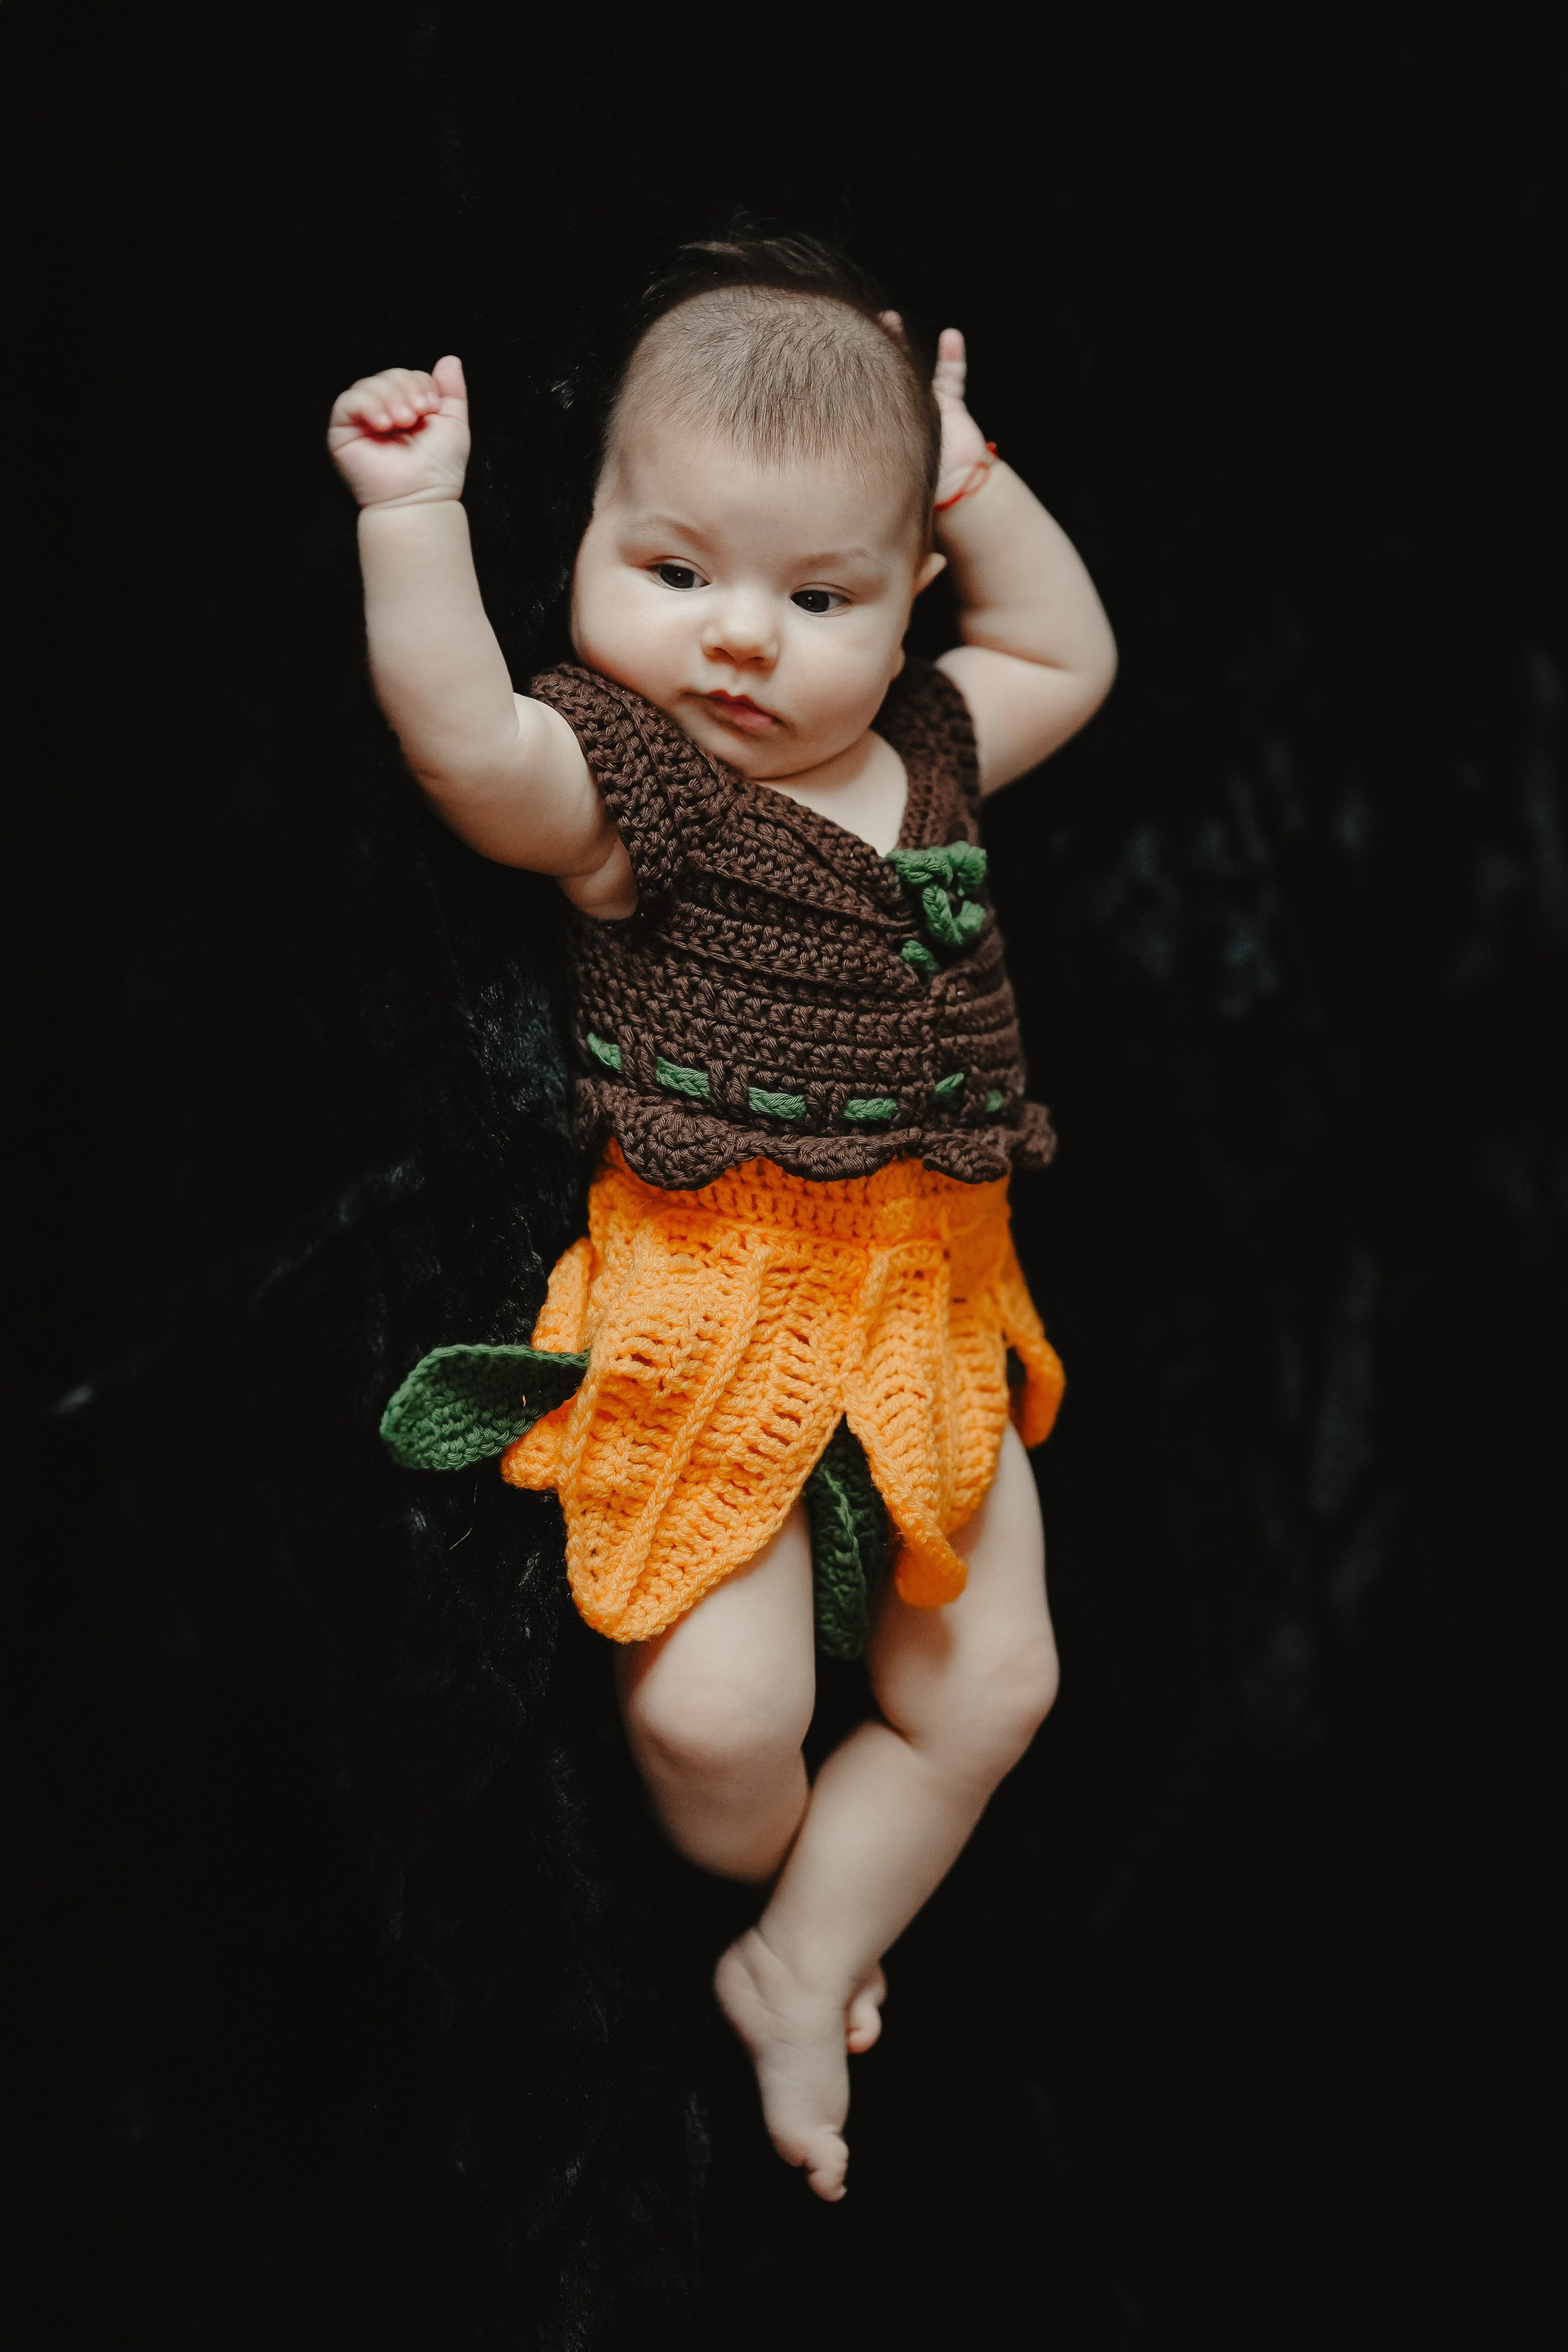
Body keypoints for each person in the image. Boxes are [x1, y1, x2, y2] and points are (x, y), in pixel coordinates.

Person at [328, 236, 1116, 2201]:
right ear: (589, 544)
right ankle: (787, 1880)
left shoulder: (932, 749)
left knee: (1001, 1681)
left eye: (818, 594)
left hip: (933, 1294)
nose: (741, 642)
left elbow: (1069, 655)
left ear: (909, 596)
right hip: (722, 1294)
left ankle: (803, 1957)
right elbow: (471, 748)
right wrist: (413, 519)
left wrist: (964, 466)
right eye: (674, 572)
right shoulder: (645, 790)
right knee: (719, 1717)